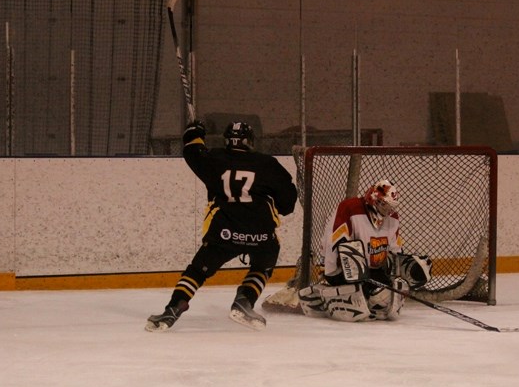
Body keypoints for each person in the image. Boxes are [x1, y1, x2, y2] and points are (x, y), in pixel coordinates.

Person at [146, 120, 298, 332]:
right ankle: (244, 300)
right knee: (262, 266)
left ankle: (173, 308)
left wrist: (195, 131)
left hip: (224, 232)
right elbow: (288, 202)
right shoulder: (268, 164)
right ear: (250, 141)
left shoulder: (214, 159)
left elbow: (192, 151)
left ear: (227, 140)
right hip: (261, 233)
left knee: (197, 271)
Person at [297, 179, 432, 321]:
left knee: (386, 293)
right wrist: (350, 271)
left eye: (390, 207)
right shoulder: (349, 208)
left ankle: (371, 299)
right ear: (373, 199)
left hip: (372, 272)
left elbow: (395, 250)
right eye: (384, 205)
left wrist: (407, 267)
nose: (387, 211)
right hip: (342, 270)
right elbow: (335, 242)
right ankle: (332, 298)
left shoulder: (392, 218)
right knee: (376, 292)